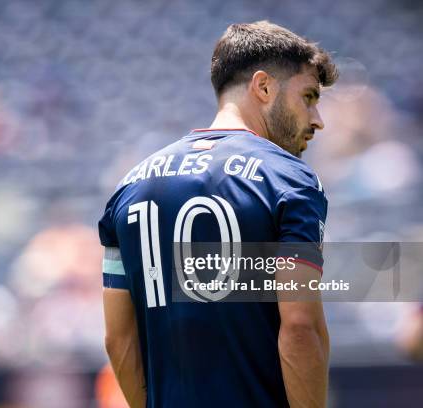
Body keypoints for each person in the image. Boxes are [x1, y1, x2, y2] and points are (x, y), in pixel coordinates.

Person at [99, 21, 338, 408]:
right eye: (308, 97)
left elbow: (118, 340)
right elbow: (300, 326)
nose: (317, 120)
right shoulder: (289, 181)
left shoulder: (129, 186)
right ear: (264, 87)